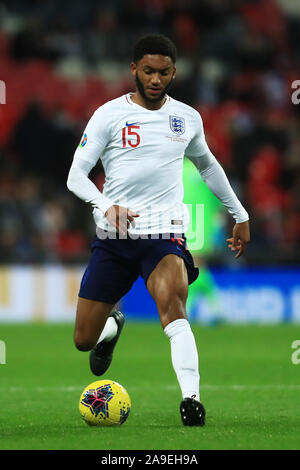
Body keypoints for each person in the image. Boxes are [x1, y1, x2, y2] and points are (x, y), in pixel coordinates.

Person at [67, 34, 250, 426]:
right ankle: (112, 327)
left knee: (174, 310)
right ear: (134, 70)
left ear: (173, 73)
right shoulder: (108, 115)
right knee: (84, 339)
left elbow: (208, 166)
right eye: (148, 71)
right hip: (114, 237)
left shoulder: (187, 118)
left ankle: (192, 400)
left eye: (163, 72)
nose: (155, 79)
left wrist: (240, 213)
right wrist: (104, 204)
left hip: (164, 234)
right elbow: (75, 176)